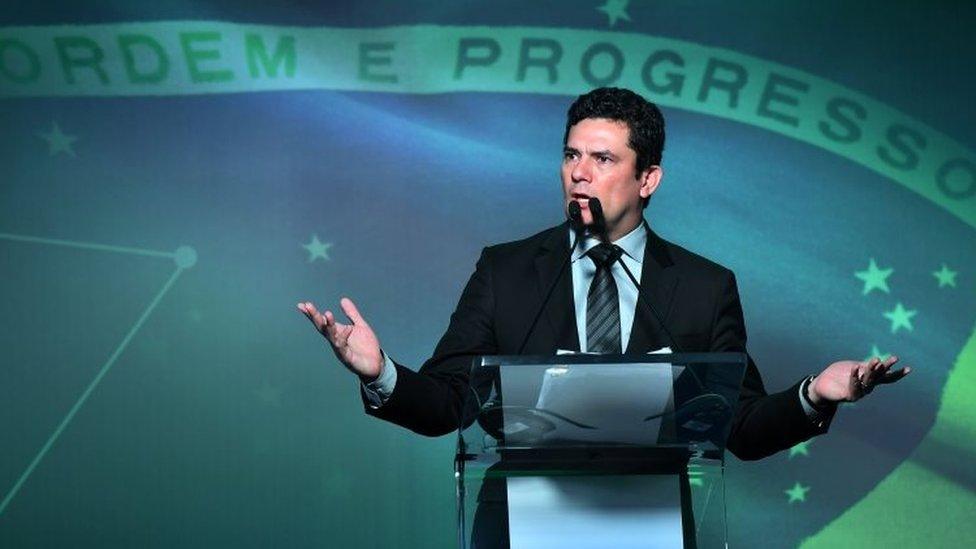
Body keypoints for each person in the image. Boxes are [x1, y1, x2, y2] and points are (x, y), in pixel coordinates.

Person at [297, 87, 910, 460]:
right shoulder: (506, 270)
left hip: (654, 523)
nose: (579, 173)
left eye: (602, 158)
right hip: (519, 523)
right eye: (570, 155)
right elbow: (446, 405)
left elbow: (741, 429)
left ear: (648, 179)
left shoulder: (703, 287)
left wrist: (814, 394)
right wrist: (381, 374)